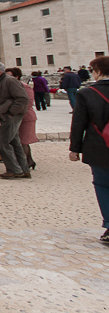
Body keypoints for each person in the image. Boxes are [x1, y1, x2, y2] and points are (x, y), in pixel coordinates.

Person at [69, 56, 109, 244]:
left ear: (98, 72)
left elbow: (79, 123)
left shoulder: (87, 92)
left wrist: (75, 148)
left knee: (103, 185)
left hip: (99, 146)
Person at [0, 62, 31, 179]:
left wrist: (11, 113)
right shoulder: (0, 81)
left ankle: (14, 170)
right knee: (14, 142)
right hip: (6, 116)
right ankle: (24, 169)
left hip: (11, 116)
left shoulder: (9, 81)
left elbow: (22, 99)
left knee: (1, 141)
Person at [6, 68, 39, 170]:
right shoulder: (9, 86)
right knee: (19, 141)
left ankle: (23, 164)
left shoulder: (24, 86)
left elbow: (28, 102)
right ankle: (29, 161)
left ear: (16, 76)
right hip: (16, 116)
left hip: (25, 116)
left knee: (23, 141)